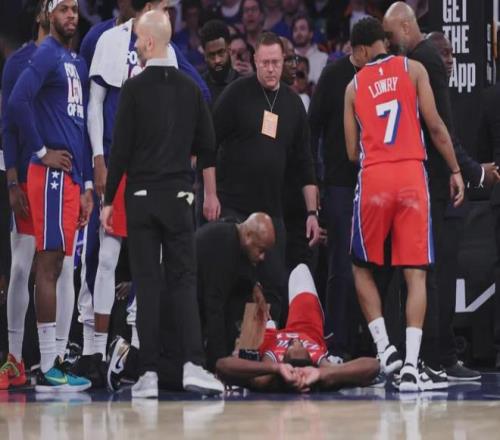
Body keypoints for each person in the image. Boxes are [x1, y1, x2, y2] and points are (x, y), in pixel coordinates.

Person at [82, 0, 218, 380]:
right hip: (151, 179)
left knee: (149, 276)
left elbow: (125, 146)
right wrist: (98, 159)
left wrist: (110, 197)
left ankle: (145, 363)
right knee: (132, 266)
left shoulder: (152, 73)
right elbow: (95, 105)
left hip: (142, 181)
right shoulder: (110, 41)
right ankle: (101, 350)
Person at [344, 17, 464, 392]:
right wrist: (456, 170)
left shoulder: (353, 85)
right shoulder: (413, 70)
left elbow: (351, 152)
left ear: (363, 50)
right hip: (412, 176)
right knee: (416, 274)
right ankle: (412, 365)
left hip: (375, 179)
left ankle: (385, 349)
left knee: (360, 267)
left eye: (353, 53)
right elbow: (437, 127)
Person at [383, 2, 494, 385]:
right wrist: (470, 171)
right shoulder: (418, 61)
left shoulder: (418, 60)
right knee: (430, 274)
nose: (387, 42)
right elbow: (438, 129)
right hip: (429, 183)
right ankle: (437, 357)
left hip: (422, 182)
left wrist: (464, 169)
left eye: (390, 34)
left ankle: (432, 356)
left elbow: (439, 128)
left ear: (405, 27)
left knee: (425, 274)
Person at [7, 0, 93, 392]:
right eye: (63, 9)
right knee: (47, 263)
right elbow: (16, 102)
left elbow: (80, 126)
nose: (71, 15)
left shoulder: (74, 60)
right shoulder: (44, 54)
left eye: (74, 9)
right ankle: (46, 364)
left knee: (60, 265)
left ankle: (53, 361)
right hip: (51, 175)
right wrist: (41, 151)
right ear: (47, 16)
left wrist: (86, 184)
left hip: (70, 177)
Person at [213, 31, 320, 324]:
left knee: (273, 286)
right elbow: (208, 143)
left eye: (276, 62)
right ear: (254, 61)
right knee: (233, 284)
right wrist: (209, 194)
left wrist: (312, 213)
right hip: (233, 208)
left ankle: (265, 343)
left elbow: (305, 164)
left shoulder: (293, 104)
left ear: (284, 61)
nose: (271, 69)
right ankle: (231, 344)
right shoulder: (236, 94)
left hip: (273, 211)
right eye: (265, 63)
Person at [215, 264, 380, 391]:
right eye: (301, 345)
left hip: (262, 342)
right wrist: (324, 372)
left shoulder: (264, 378)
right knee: (301, 270)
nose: (295, 341)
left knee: (253, 291)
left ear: (283, 361)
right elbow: (373, 365)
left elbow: (222, 365)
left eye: (290, 346)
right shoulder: (322, 371)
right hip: (306, 329)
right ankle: (333, 358)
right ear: (312, 361)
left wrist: (275, 368)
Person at [197, 212, 275, 370]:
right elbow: (214, 305)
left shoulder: (236, 234)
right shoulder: (224, 248)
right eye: (261, 250)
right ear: (248, 236)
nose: (262, 257)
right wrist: (220, 361)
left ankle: (238, 355)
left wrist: (254, 285)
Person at [200, 19, 239, 105]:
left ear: (229, 50)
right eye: (211, 55)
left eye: (221, 52)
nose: (217, 60)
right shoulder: (199, 88)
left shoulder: (246, 86)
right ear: (205, 55)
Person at [292, 14, 327, 86]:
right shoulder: (287, 59)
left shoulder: (323, 58)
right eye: (295, 30)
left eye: (302, 29)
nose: (298, 33)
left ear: (311, 34)